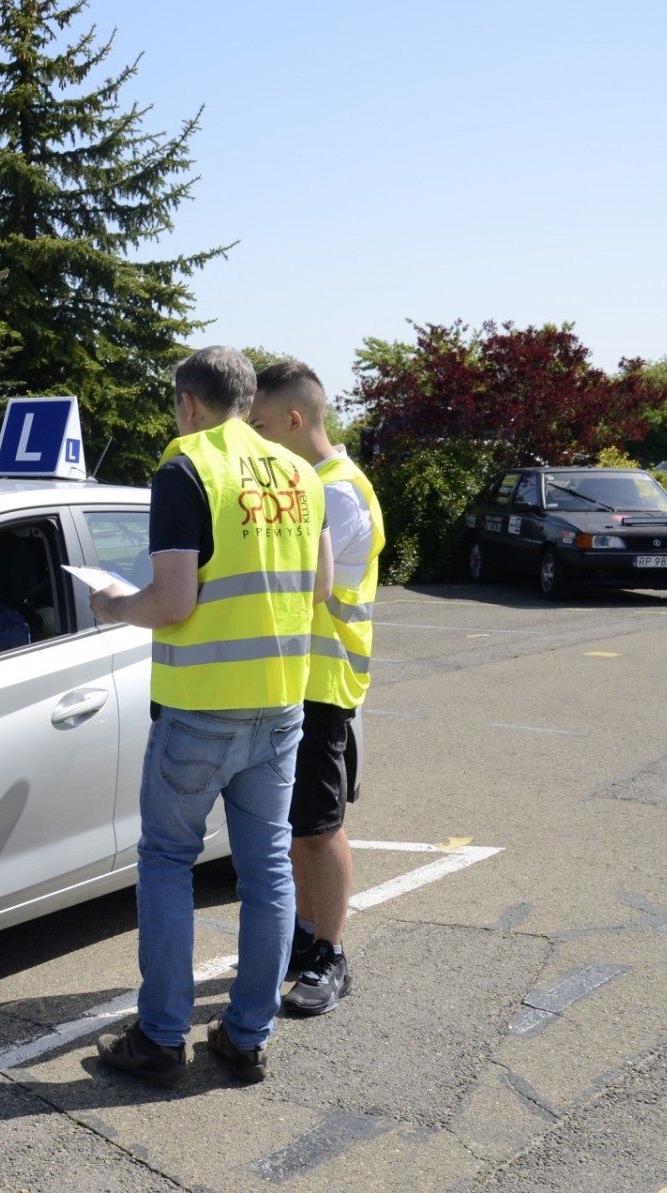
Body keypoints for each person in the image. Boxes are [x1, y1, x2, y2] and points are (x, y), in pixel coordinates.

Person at [90, 346, 332, 1087]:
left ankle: (162, 1038)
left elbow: (172, 603)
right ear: (248, 400)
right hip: (280, 705)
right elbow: (320, 588)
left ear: (188, 404)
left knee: (167, 861)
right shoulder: (300, 472)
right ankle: (247, 1036)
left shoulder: (187, 467)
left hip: (199, 709)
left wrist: (113, 604)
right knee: (267, 870)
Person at [248, 360, 385, 1017]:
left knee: (319, 827)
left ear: (294, 420)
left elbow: (304, 586)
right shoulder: (317, 484)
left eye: (260, 425)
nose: (255, 438)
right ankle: (306, 937)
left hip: (323, 682)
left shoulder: (334, 492)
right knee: (300, 826)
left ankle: (331, 954)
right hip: (300, 678)